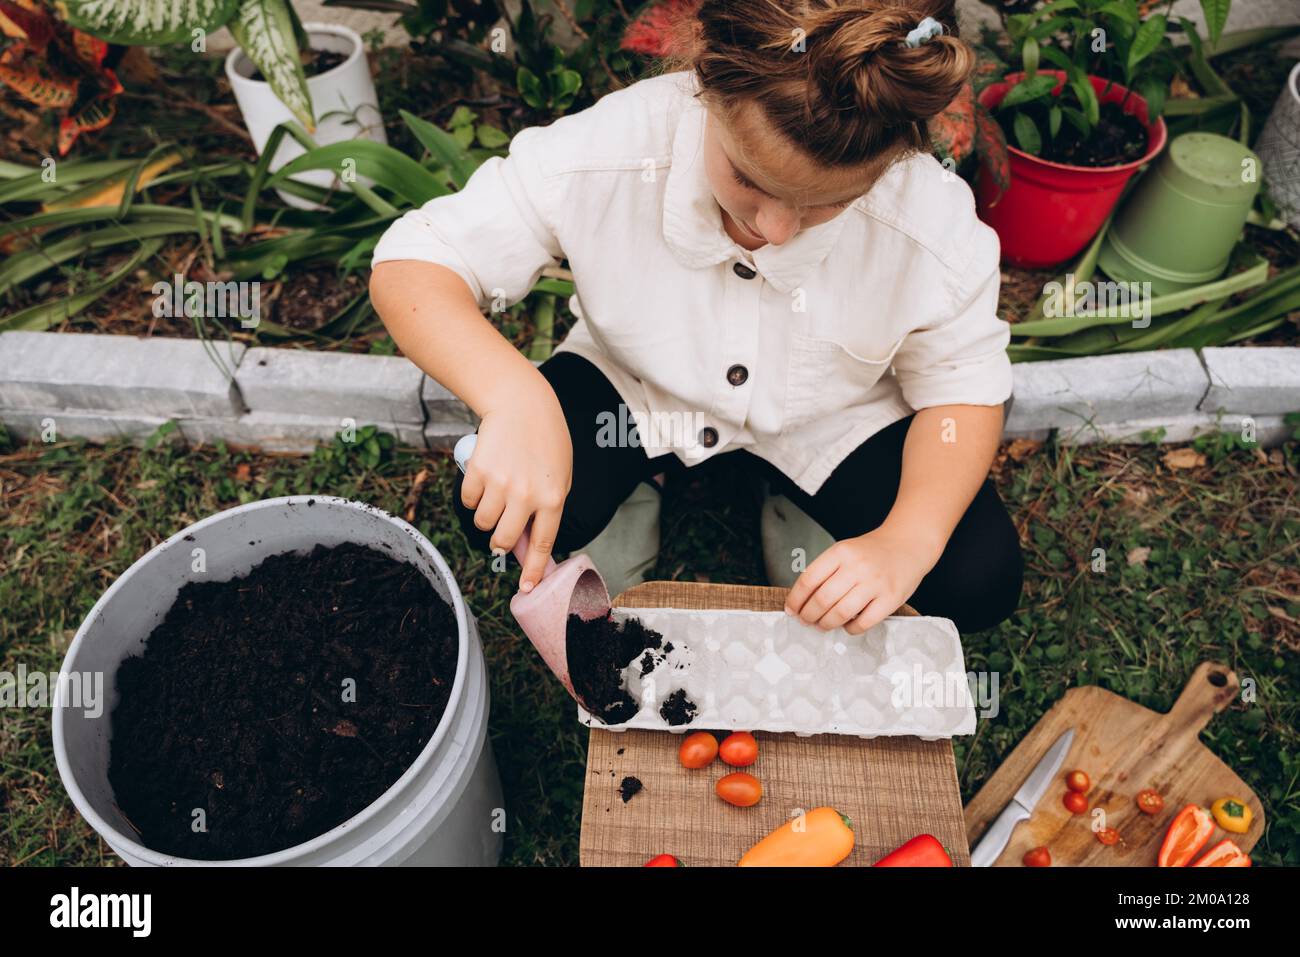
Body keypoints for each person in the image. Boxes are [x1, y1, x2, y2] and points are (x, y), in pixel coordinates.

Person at [370, 0, 1022, 634]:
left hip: (834, 419)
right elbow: (415, 261)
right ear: (706, 81)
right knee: (494, 509)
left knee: (977, 577)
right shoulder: (610, 147)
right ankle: (639, 483)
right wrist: (517, 399)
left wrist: (905, 539)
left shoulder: (931, 222)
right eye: (749, 180)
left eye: (824, 204)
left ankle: (799, 500)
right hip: (635, 389)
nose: (774, 229)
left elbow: (962, 394)